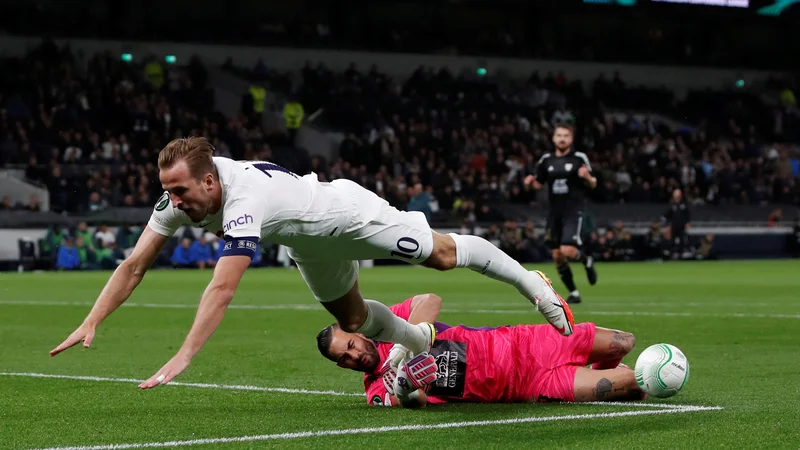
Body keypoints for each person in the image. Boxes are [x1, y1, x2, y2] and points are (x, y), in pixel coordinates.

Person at [49, 136, 573, 392]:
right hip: (308, 245)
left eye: (180, 190)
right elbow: (134, 265)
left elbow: (222, 288)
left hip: (344, 215)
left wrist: (186, 354)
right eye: (167, 191)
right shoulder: (180, 200)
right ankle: (417, 341)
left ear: (209, 181)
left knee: (440, 256)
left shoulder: (243, 202)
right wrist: (93, 319)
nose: (173, 201)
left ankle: (532, 282)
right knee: (352, 321)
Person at [316, 293, 643, 408]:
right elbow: (411, 402)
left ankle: (604, 371)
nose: (354, 354)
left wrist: (411, 345)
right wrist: (407, 382)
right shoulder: (376, 389)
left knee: (624, 343)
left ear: (356, 331)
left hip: (524, 342)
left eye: (350, 344)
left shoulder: (389, 325)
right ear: (342, 367)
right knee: (635, 382)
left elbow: (429, 300)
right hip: (525, 387)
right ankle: (612, 380)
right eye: (344, 357)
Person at [524, 123, 598, 304]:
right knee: (557, 256)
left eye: (566, 135)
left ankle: (586, 259)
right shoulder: (546, 160)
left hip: (573, 211)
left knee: (567, 250)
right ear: (553, 138)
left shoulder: (579, 158)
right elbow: (538, 184)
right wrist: (528, 184)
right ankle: (574, 293)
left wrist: (587, 178)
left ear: (571, 139)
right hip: (554, 213)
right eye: (559, 135)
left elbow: (594, 183)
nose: (562, 138)